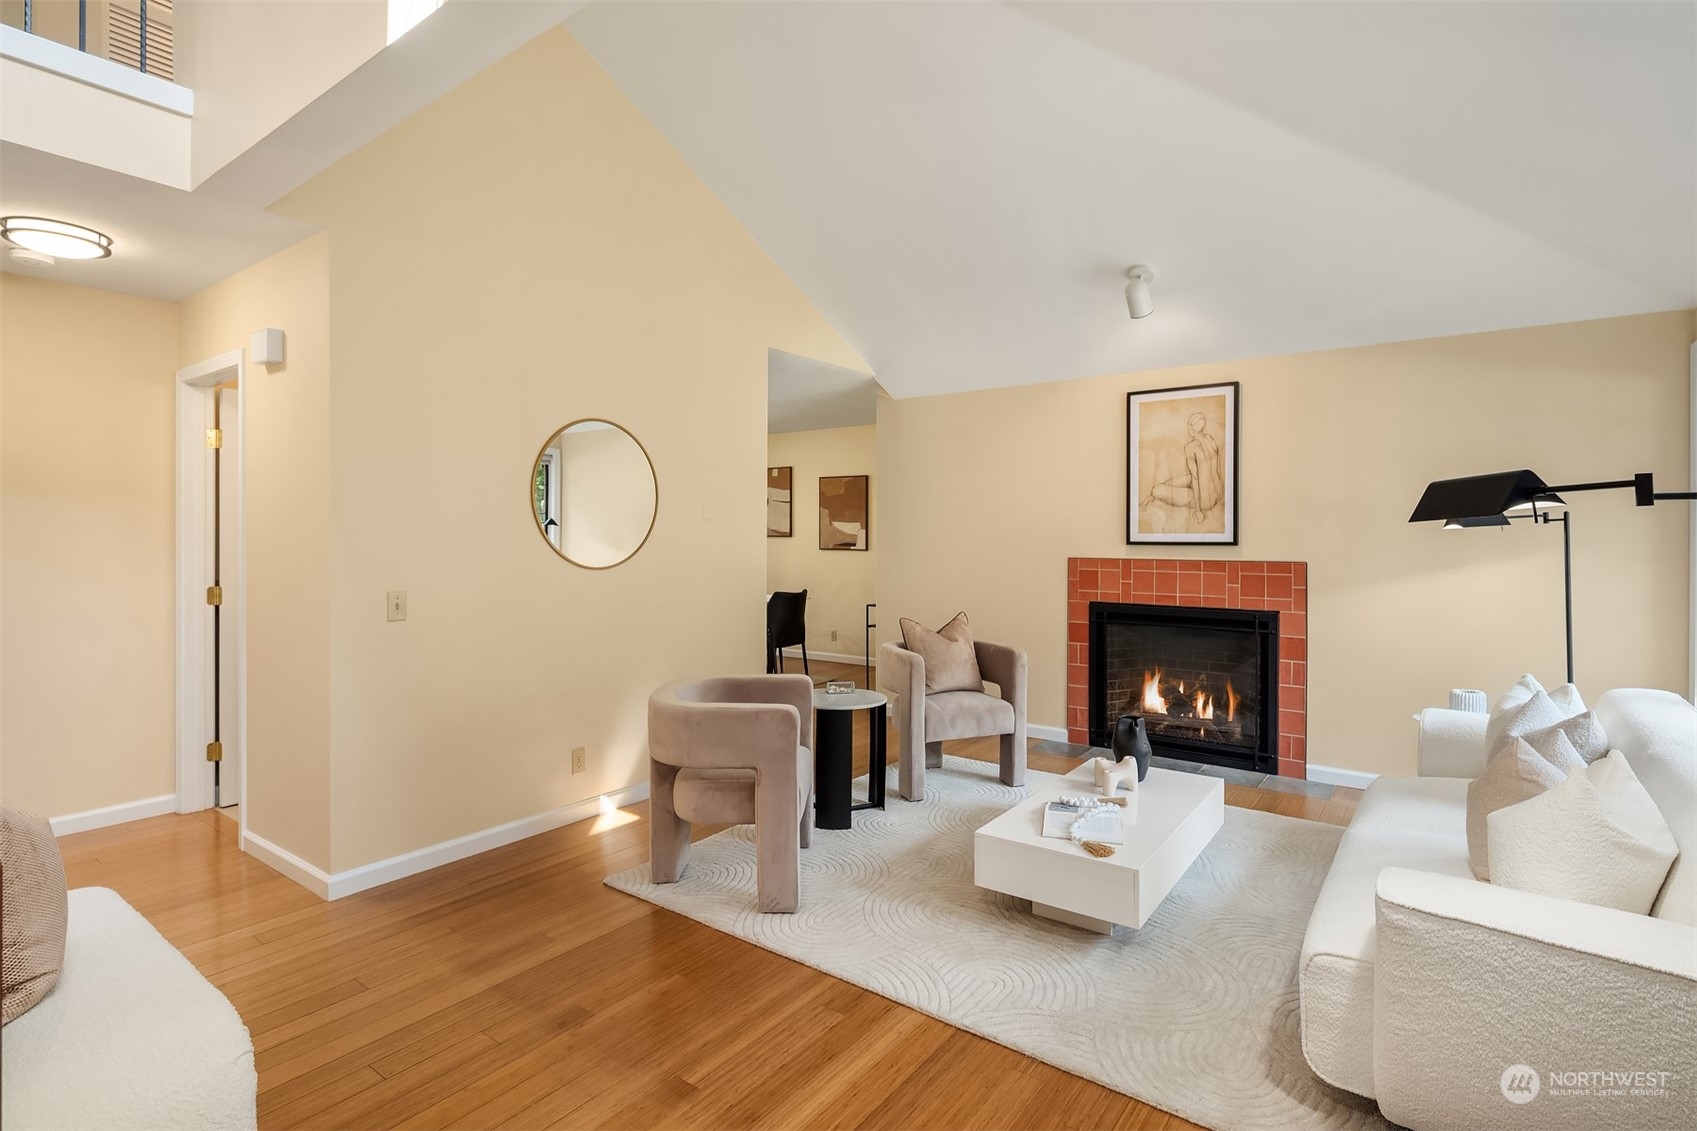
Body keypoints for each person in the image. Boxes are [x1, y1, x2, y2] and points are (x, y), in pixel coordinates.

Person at [1142, 411, 1224, 529]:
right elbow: (1216, 469)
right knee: (1172, 482)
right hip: (1218, 491)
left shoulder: (1190, 448)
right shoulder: (1210, 440)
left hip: (1205, 501)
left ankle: (1153, 495)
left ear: (1191, 428)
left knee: (1156, 489)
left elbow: (1195, 479)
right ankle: (1166, 486)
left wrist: (1198, 510)